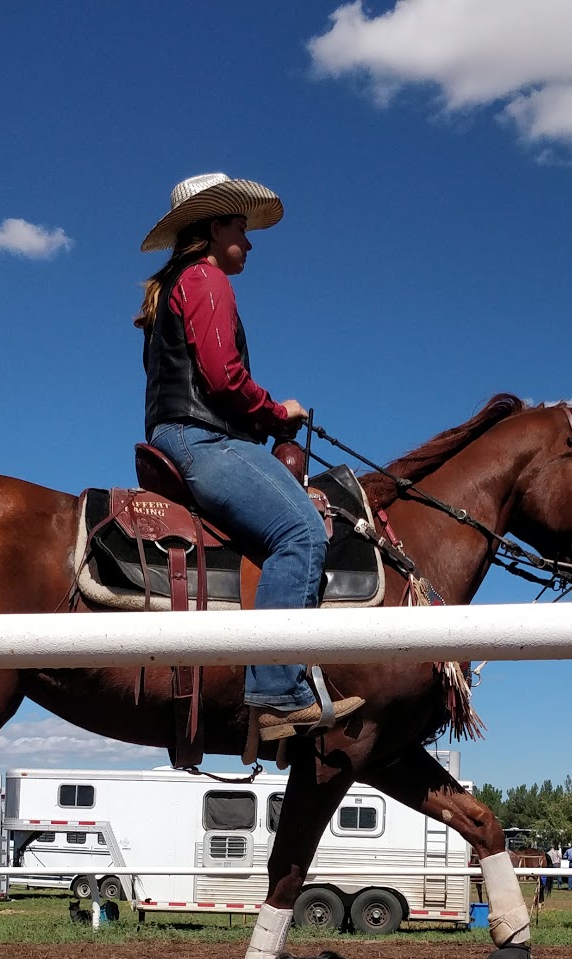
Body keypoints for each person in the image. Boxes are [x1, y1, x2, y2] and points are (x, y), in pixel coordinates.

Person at [137, 172, 363, 741]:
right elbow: (223, 376)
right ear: (215, 227)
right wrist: (276, 413)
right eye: (240, 226)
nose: (249, 240)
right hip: (203, 439)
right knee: (304, 532)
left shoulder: (173, 286)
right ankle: (277, 695)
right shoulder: (207, 280)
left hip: (178, 434)